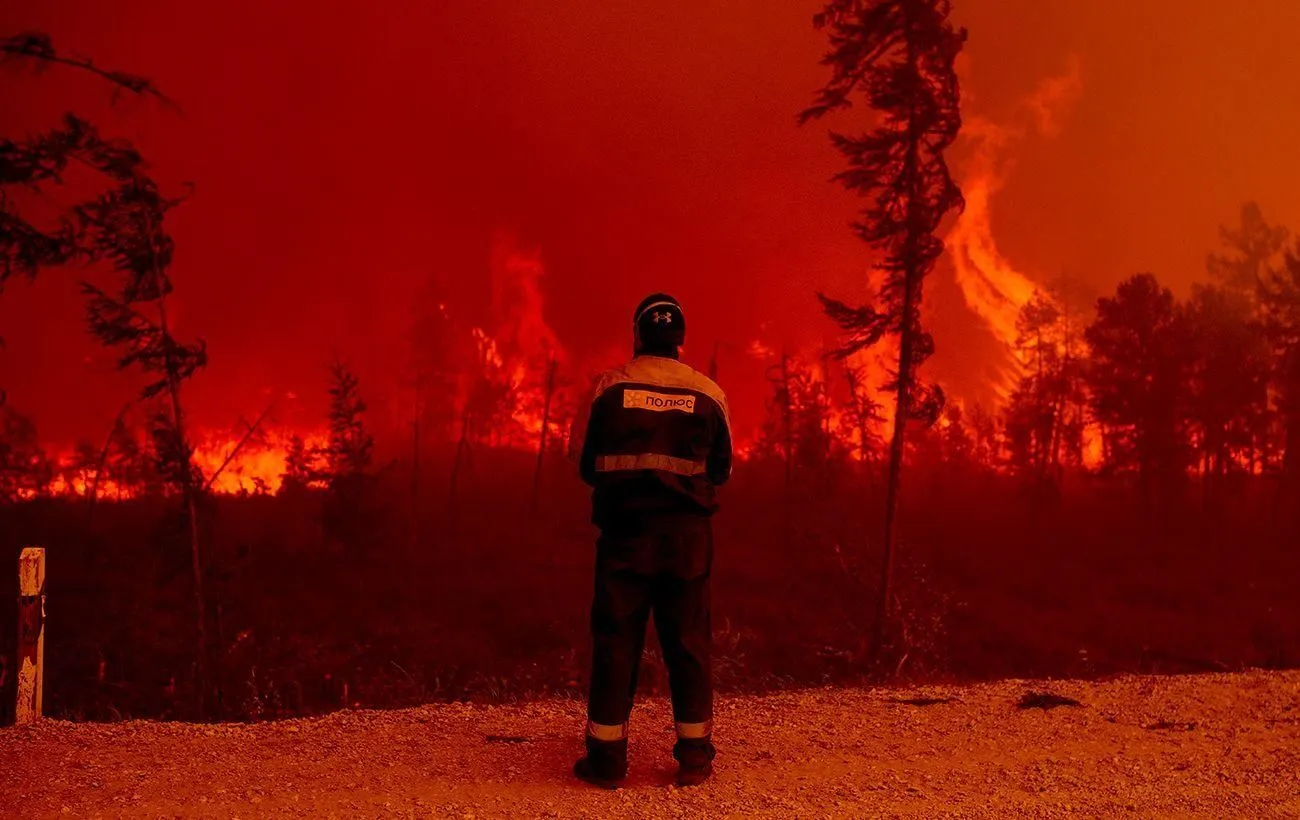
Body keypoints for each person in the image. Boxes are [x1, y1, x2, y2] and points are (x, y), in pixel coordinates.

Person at [568, 293, 733, 789]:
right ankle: (694, 758)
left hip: (626, 535)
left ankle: (606, 761)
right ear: (680, 340)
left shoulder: (608, 388)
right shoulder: (708, 393)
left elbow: (583, 463)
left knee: (617, 640)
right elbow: (721, 470)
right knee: (688, 642)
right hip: (687, 540)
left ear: (637, 335)